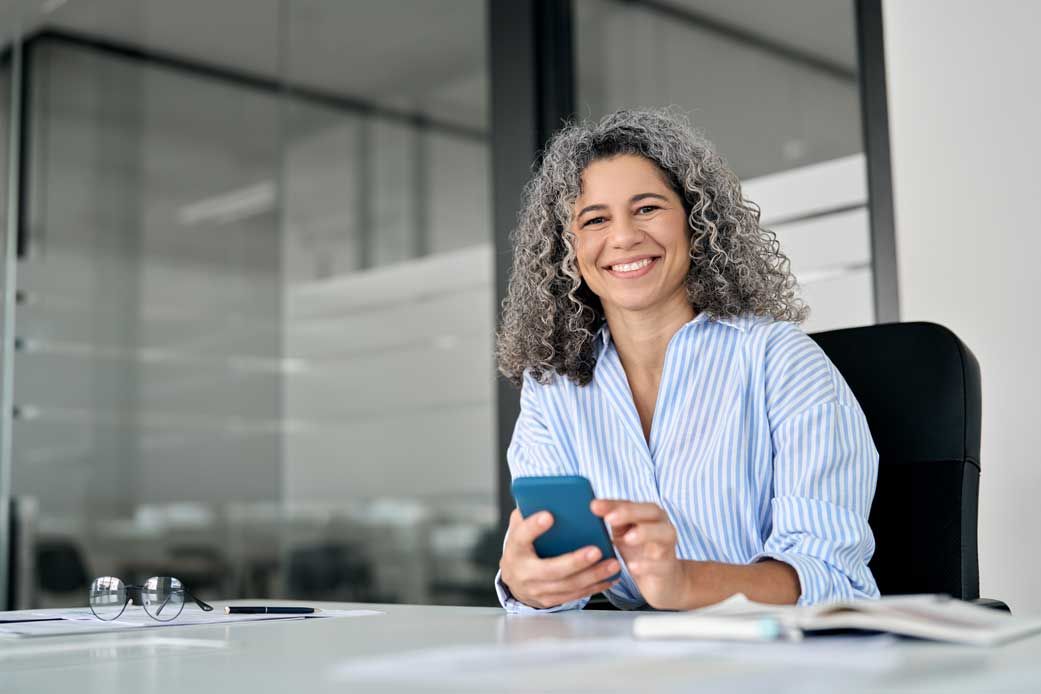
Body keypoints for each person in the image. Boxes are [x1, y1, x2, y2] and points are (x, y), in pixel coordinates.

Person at [494, 108, 879, 612]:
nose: (624, 236)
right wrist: (530, 585)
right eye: (595, 219)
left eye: (648, 208)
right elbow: (557, 591)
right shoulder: (553, 388)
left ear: (697, 221)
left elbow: (832, 578)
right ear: (567, 249)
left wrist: (684, 583)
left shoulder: (778, 360)